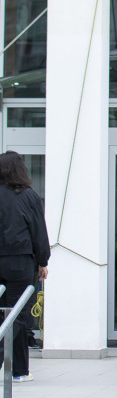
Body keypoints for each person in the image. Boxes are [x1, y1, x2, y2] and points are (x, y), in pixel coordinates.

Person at [0, 152, 50, 381]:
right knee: (18, 315)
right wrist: (43, 261)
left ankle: (15, 368)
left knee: (5, 315)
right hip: (20, 262)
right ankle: (18, 371)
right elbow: (38, 230)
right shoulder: (28, 196)